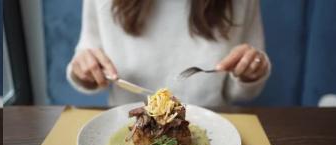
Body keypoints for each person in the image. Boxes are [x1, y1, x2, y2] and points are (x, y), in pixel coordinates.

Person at [68, 0, 271, 106]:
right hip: (125, 131)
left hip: (214, 131)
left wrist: (251, 71)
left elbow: (242, 92)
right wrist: (86, 71)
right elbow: (86, 60)